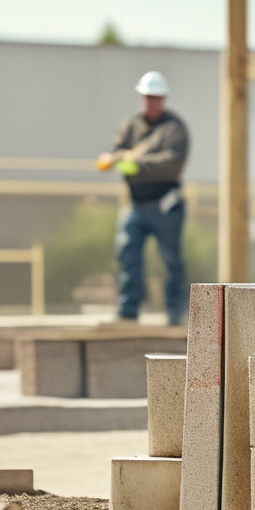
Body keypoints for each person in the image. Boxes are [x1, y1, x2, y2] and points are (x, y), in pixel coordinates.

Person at [97, 70, 190, 325]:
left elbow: (172, 161)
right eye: (148, 97)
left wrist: (138, 163)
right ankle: (127, 312)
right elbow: (115, 149)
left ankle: (176, 316)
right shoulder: (132, 126)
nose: (152, 102)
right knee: (127, 256)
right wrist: (112, 157)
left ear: (164, 99)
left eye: (156, 98)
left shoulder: (173, 128)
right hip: (136, 204)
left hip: (165, 205)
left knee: (171, 261)